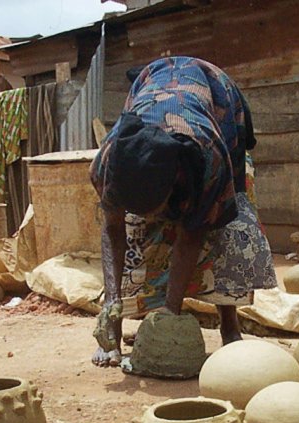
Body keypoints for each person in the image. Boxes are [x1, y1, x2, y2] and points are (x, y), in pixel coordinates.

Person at [89, 56, 277, 368]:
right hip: (153, 84)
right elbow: (112, 230)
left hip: (218, 102)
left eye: (156, 209)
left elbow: (192, 235)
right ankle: (130, 323)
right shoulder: (109, 163)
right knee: (138, 235)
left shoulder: (208, 160)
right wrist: (111, 309)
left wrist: (169, 321)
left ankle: (229, 325)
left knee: (229, 230)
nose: (153, 218)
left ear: (176, 182)